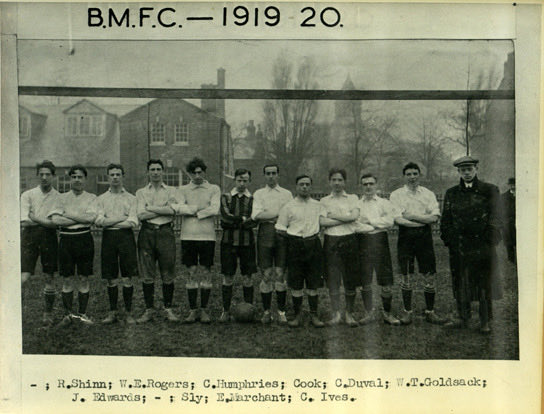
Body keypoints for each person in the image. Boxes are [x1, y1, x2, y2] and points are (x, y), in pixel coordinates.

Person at [440, 156, 503, 334]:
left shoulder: (489, 190)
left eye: (469, 169)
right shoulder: (451, 193)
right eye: (463, 170)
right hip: (459, 246)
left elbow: (497, 217)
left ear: (476, 169)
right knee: (460, 280)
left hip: (482, 244)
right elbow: (446, 220)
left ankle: (485, 320)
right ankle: (462, 316)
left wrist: (490, 238)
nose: (466, 173)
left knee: (484, 282)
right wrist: (450, 240)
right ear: (458, 172)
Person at [389, 162, 447, 325]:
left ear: (419, 175)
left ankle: (430, 311)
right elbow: (397, 218)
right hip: (406, 237)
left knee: (429, 273)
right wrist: (421, 220)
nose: (412, 177)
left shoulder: (428, 194)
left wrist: (412, 216)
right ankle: (407, 312)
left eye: (415, 173)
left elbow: (435, 216)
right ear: (404, 176)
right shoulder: (396, 194)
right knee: (406, 273)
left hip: (425, 237)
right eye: (409, 174)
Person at [173, 157, 221, 324]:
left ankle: (205, 310)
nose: (197, 175)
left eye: (200, 172)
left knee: (206, 273)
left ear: (204, 172)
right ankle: (193, 310)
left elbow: (215, 209)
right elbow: (178, 208)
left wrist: (194, 212)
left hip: (207, 236)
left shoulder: (214, 188)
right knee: (191, 272)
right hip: (188, 236)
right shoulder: (182, 189)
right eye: (194, 172)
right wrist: (197, 209)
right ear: (190, 174)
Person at [49, 165, 98, 326]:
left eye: (80, 177)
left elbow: (90, 219)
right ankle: (68, 314)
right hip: (66, 240)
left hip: (84, 239)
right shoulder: (61, 198)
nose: (77, 180)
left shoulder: (91, 197)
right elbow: (55, 220)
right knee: (67, 278)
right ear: (70, 179)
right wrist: (80, 217)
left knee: (84, 278)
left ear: (85, 179)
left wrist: (67, 215)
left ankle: (83, 314)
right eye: (74, 177)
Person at [275, 175, 326, 328]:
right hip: (294, 245)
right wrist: (294, 239)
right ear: (296, 187)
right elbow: (280, 228)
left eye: (307, 184)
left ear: (311, 187)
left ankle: (314, 315)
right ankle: (297, 315)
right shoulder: (288, 206)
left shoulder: (318, 205)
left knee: (313, 283)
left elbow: (324, 223)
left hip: (313, 244)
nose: (304, 187)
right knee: (296, 283)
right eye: (301, 184)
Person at [135, 159, 179, 323]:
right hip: (146, 233)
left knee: (167, 272)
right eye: (152, 169)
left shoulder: (171, 190)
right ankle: (149, 310)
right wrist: (162, 210)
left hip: (165, 233)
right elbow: (140, 215)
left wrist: (150, 208)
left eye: (158, 169)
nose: (155, 172)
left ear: (163, 171)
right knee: (147, 274)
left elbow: (172, 211)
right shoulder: (141, 192)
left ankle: (168, 309)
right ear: (148, 172)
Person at [94, 164, 139, 324]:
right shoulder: (101, 199)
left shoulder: (132, 198)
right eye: (112, 174)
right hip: (108, 239)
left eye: (118, 174)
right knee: (111, 277)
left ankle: (128, 313)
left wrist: (110, 221)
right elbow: (99, 221)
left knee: (127, 277)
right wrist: (122, 218)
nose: (115, 177)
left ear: (123, 176)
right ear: (108, 177)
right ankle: (112, 312)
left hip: (126, 238)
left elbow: (133, 222)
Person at [355, 173, 399, 325]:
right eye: (365, 184)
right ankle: (369, 313)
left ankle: (387, 313)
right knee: (365, 278)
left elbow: (389, 222)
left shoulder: (384, 203)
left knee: (385, 278)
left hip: (380, 241)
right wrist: (373, 225)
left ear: (376, 185)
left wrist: (370, 222)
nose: (368, 187)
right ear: (361, 186)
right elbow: (355, 225)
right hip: (363, 241)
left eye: (371, 183)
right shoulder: (357, 204)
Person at [251, 164, 293, 324]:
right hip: (265, 233)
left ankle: (281, 312)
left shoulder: (287, 194)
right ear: (264, 175)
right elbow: (256, 215)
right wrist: (278, 214)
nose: (271, 176)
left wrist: (270, 215)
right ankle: (267, 311)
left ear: (278, 175)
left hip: (283, 234)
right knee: (267, 274)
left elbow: (290, 214)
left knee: (280, 273)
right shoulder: (259, 193)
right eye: (268, 173)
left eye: (274, 173)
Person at [20, 160, 60, 326]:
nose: (44, 177)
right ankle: (18, 310)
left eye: (47, 174)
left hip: (49, 237)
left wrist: (35, 218)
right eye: (41, 174)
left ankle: (48, 313)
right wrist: (45, 220)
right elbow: (24, 222)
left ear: (53, 176)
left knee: (49, 276)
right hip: (29, 237)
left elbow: (55, 223)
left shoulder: (58, 197)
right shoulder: (27, 195)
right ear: (37, 176)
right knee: (23, 277)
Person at [319, 168, 360, 327]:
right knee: (333, 280)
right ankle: (336, 314)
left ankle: (349, 314)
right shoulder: (324, 201)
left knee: (350, 279)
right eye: (334, 179)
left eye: (340, 180)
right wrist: (346, 219)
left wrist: (333, 216)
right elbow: (322, 222)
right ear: (329, 181)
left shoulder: (353, 198)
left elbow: (354, 217)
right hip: (331, 241)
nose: (337, 183)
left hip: (349, 240)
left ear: (345, 181)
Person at [218, 168, 258, 322]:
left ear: (249, 181)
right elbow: (225, 217)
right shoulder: (226, 197)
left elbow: (254, 220)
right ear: (234, 180)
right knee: (228, 276)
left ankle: (249, 309)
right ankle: (225, 311)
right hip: (228, 243)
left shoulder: (253, 199)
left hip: (247, 243)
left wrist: (234, 222)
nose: (242, 183)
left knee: (247, 277)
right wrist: (242, 220)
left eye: (245, 180)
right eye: (239, 180)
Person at [501, 177, 516, 264]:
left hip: (519, 222)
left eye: (514, 184)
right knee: (509, 242)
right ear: (509, 185)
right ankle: (511, 260)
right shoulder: (503, 197)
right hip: (508, 223)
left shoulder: (522, 195)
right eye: (511, 184)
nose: (513, 186)